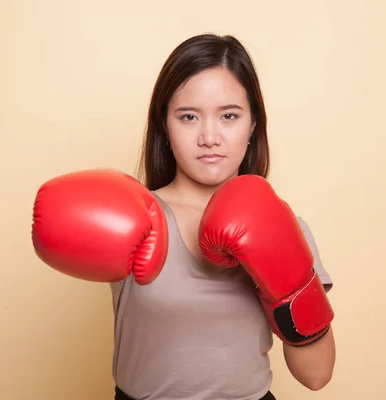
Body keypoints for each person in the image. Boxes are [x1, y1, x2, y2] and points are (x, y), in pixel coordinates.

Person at [31, 33, 336, 400]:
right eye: (189, 116)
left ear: (253, 125)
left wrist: (287, 283)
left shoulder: (283, 225)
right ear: (164, 126)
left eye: (229, 116)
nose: (209, 136)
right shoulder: (133, 214)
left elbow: (317, 375)